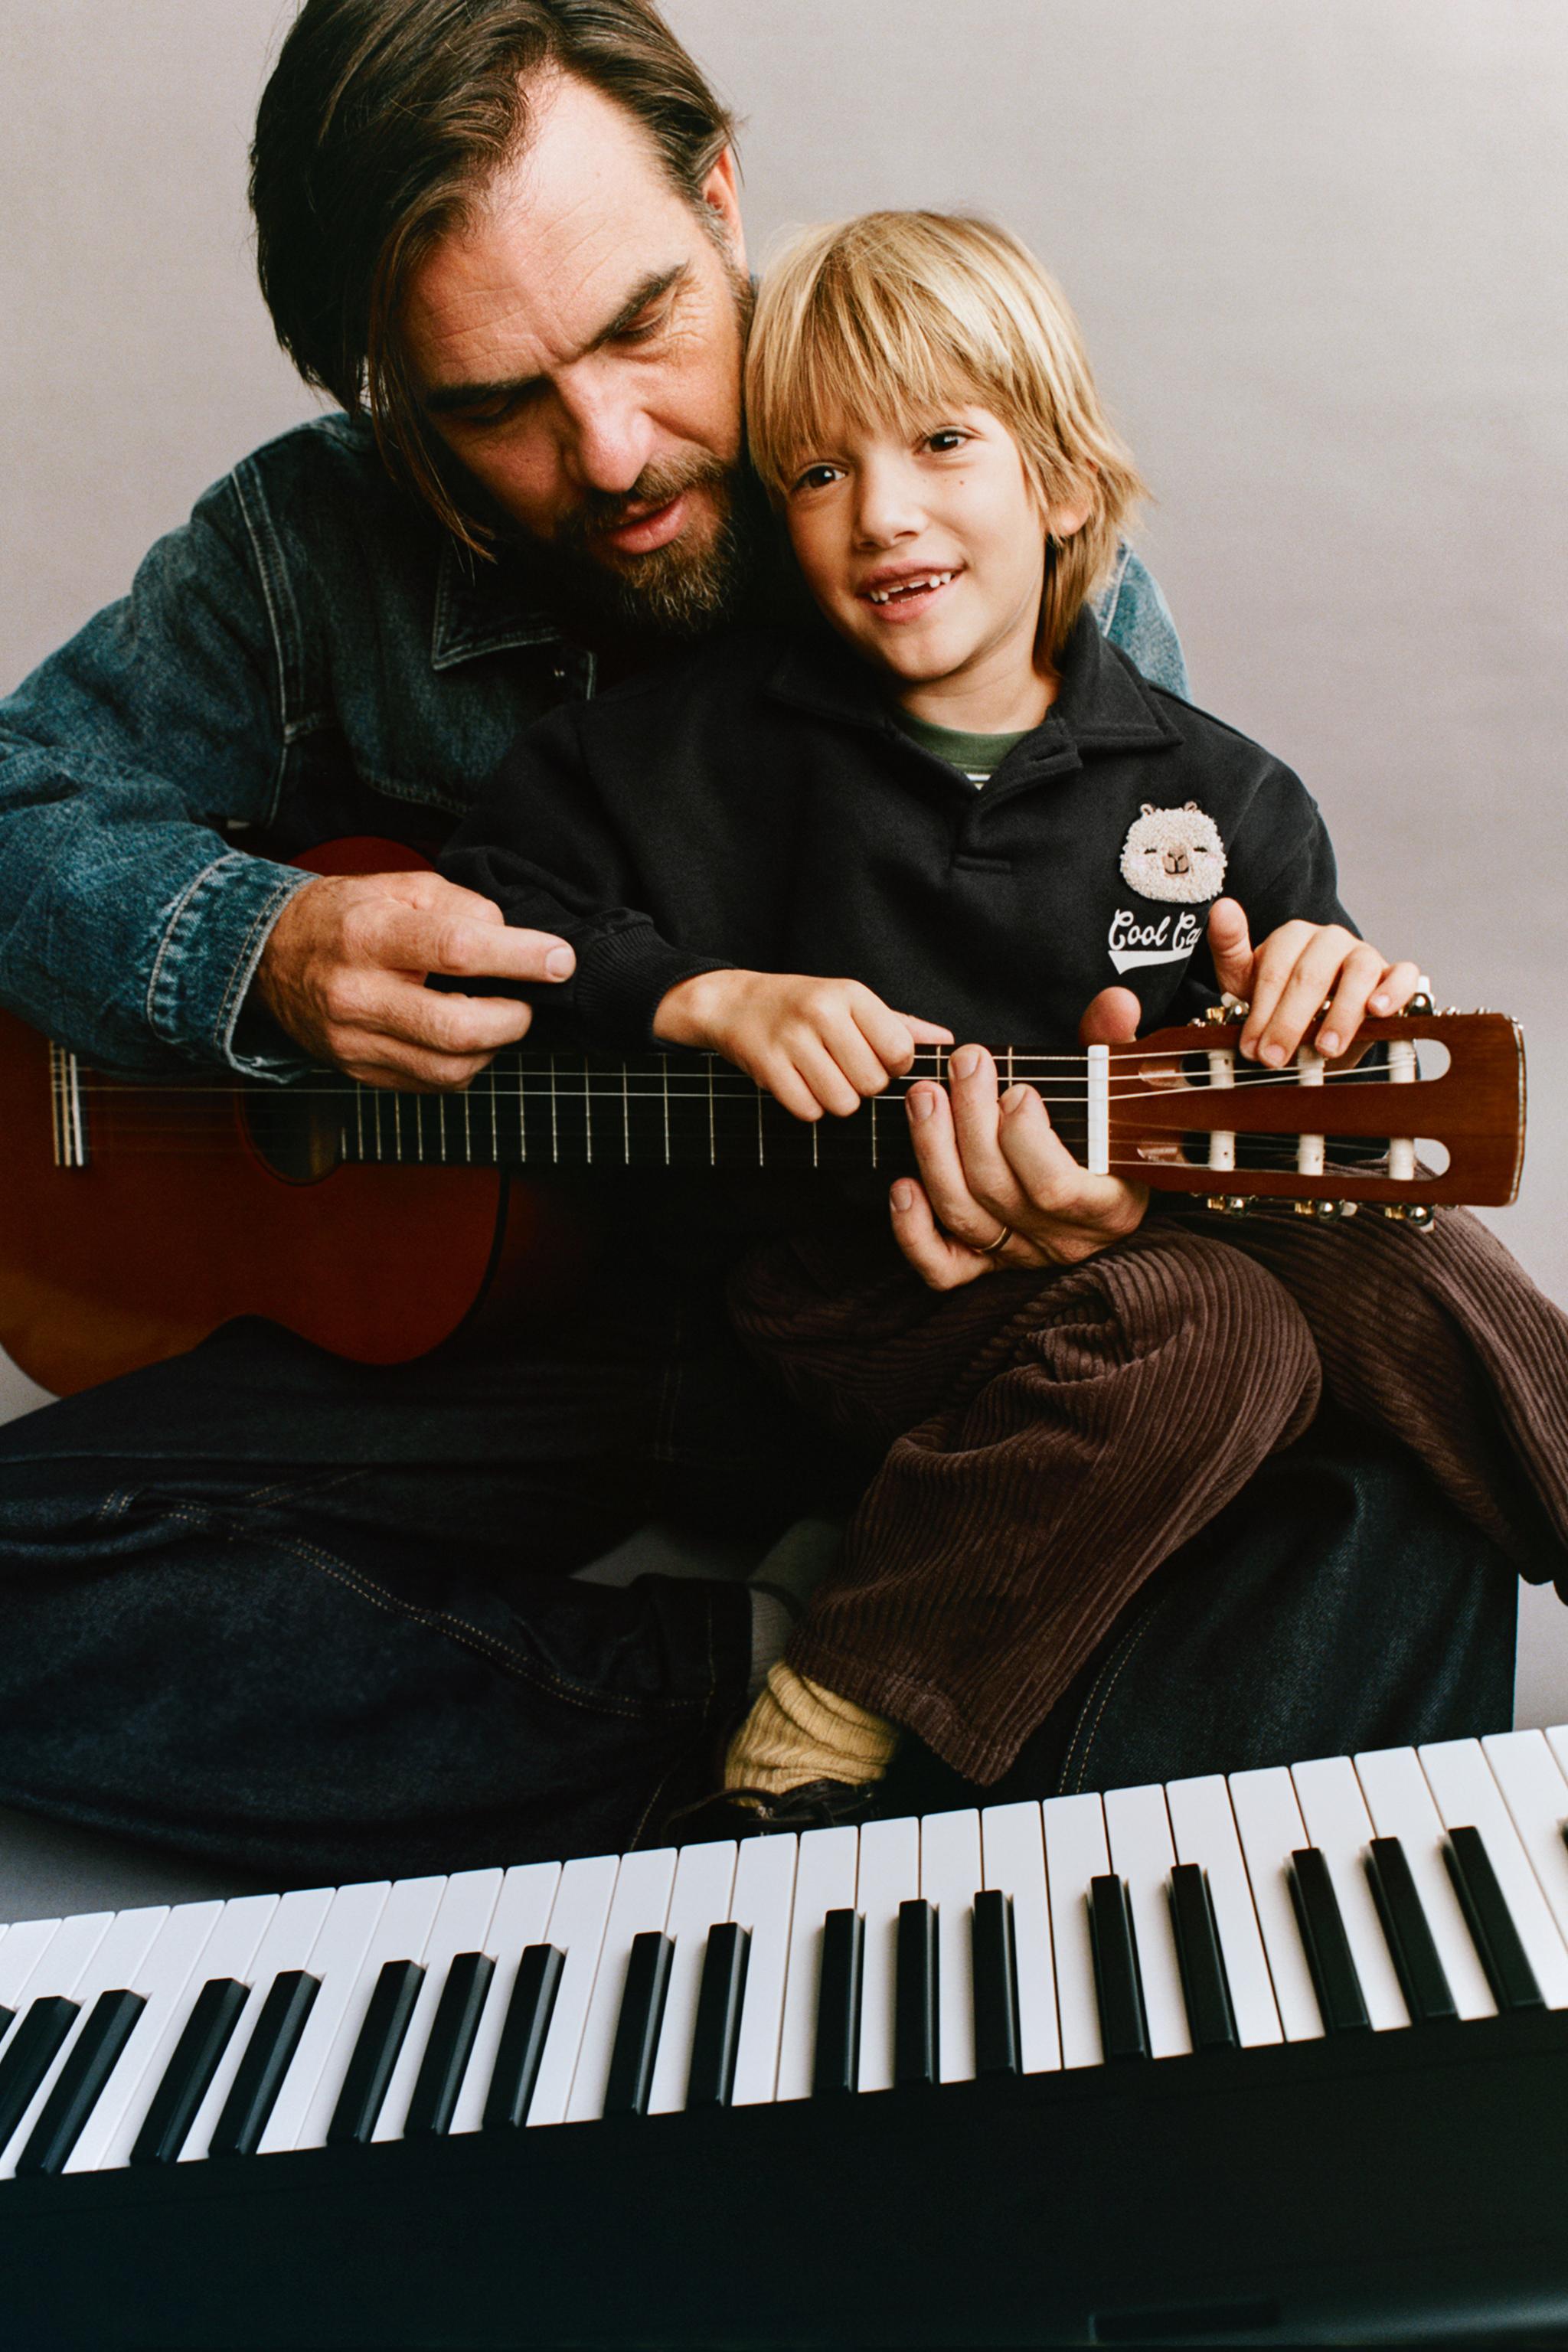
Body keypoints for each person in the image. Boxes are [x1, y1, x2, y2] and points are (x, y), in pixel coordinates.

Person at [0, 2, 1516, 1881]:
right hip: (533, 1334)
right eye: (493, 405)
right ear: (390, 399)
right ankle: (768, 1726)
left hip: (930, 1331)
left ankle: (897, 1743)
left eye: (643, 325)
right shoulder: (302, 553)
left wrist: (1093, 1206)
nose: (615, 450)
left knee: (1375, 1496)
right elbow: (18, 809)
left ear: (718, 195)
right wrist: (263, 947)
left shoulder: (966, 517)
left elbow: (1152, 987)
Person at [438, 207, 1568, 1826]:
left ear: (1057, 482)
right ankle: (859, 1662)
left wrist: (1339, 992)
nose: (880, 512)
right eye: (817, 473)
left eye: (941, 442)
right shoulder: (683, 753)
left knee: (1402, 1251)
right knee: (1209, 1332)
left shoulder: (1222, 792)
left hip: (1147, 1278)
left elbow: (1308, 1088)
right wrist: (696, 991)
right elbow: (486, 916)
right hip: (848, 1297)